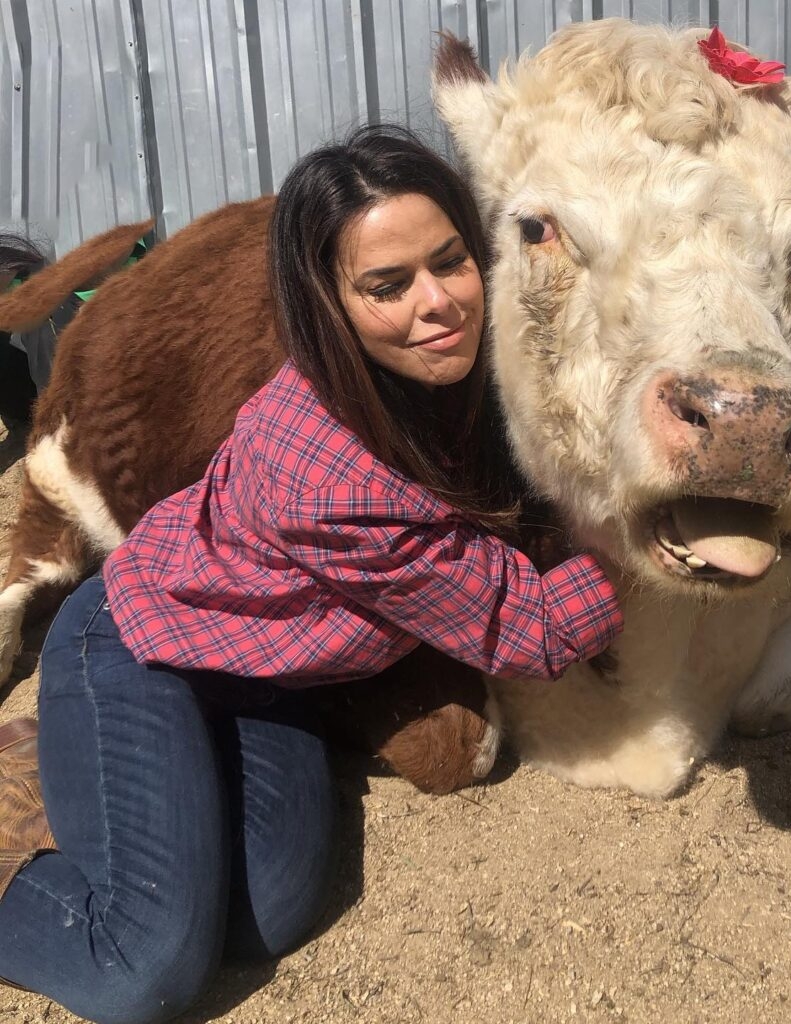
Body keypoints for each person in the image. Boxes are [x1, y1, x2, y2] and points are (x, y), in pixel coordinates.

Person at [0, 125, 622, 1024]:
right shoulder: (325, 468)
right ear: (328, 301)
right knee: (146, 965)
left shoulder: (469, 374)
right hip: (137, 638)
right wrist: (645, 543)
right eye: (387, 285)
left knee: (270, 913)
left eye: (451, 262)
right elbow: (526, 624)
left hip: (263, 664)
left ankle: (128, 793)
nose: (438, 302)